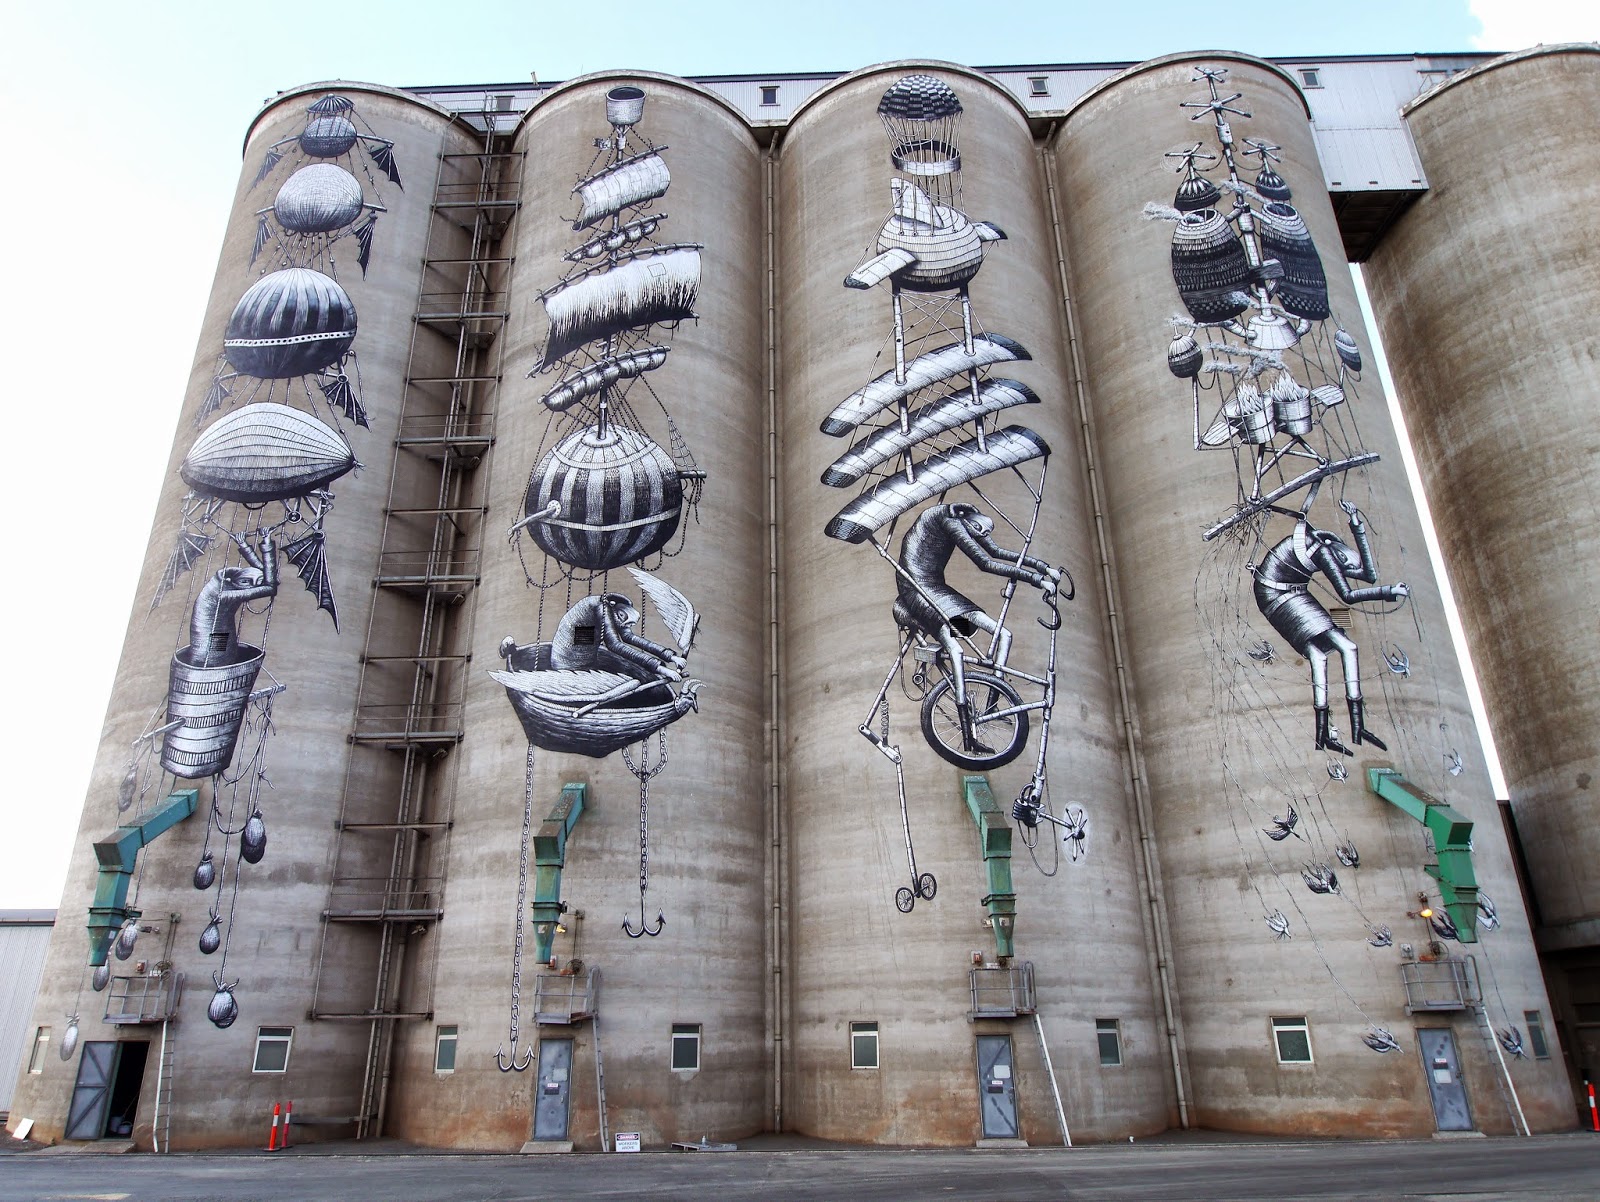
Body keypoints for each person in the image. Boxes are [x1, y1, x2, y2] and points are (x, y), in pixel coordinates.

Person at [892, 503, 1060, 751]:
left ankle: (992, 705)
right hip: (919, 592)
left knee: (1003, 635)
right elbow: (985, 562)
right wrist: (1036, 580)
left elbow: (995, 551)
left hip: (940, 591)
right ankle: (968, 736)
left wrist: (1043, 568)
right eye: (980, 532)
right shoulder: (950, 522)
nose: (983, 537)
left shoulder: (964, 521)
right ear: (970, 522)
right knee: (956, 651)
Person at [1252, 501, 1407, 755]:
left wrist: (1356, 523)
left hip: (1296, 591)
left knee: (1349, 647)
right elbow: (1347, 596)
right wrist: (1390, 591)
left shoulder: (1330, 551)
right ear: (1338, 554)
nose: (1347, 569)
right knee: (1318, 656)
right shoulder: (1324, 553)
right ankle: (1322, 734)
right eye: (1345, 564)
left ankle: (1358, 728)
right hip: (1274, 595)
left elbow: (1369, 575)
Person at [548, 592, 686, 684]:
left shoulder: (614, 610)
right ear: (616, 609)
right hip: (570, 665)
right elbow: (615, 645)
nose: (624, 625)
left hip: (585, 657)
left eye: (629, 624)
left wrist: (671, 657)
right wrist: (662, 669)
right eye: (623, 618)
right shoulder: (601, 607)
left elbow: (629, 637)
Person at [186, 533, 278, 667]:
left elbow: (267, 576)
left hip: (219, 633)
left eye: (257, 582)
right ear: (235, 581)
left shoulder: (233, 578)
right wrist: (266, 545)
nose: (253, 587)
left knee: (226, 657)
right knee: (218, 663)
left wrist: (248, 543)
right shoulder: (223, 594)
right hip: (211, 641)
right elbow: (271, 587)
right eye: (249, 582)